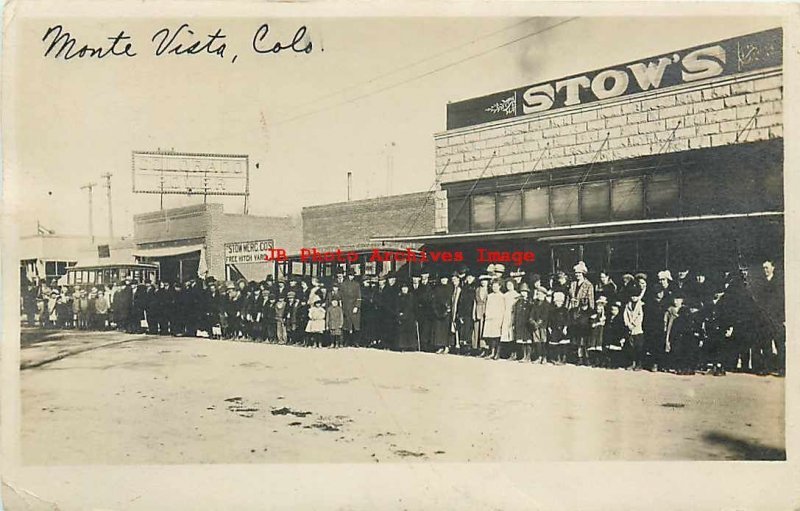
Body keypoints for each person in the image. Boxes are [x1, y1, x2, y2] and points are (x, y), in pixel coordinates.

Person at [751, 259, 785, 376]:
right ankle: (767, 367)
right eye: (763, 268)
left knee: (779, 344)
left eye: (767, 267)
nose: (765, 270)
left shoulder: (779, 282)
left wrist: (782, 318)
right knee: (766, 344)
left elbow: (781, 302)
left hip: (776, 319)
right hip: (764, 319)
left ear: (773, 268)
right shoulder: (762, 283)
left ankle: (782, 368)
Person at [483, 280, 505, 360]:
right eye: (493, 286)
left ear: (499, 287)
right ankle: (492, 352)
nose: (494, 288)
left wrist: (501, 318)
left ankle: (497, 353)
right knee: (491, 337)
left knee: (497, 336)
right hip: (490, 318)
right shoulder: (490, 296)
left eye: (496, 286)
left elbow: (503, 308)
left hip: (498, 318)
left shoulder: (502, 296)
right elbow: (487, 307)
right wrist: (487, 315)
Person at [340, 269, 362, 347]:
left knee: (355, 325)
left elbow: (359, 297)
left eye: (352, 275)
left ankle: (356, 342)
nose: (351, 277)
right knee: (346, 325)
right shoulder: (343, 284)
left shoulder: (357, 284)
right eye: (349, 275)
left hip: (354, 306)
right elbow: (341, 296)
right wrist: (341, 306)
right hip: (346, 306)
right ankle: (346, 341)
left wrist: (357, 306)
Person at [623, 293, 645, 370]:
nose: (633, 298)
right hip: (630, 329)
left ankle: (639, 364)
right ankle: (631, 363)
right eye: (632, 296)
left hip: (638, 329)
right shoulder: (628, 305)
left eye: (635, 296)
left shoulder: (640, 305)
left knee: (638, 347)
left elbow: (640, 316)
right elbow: (625, 315)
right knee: (630, 347)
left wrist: (634, 324)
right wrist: (628, 324)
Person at [528, 287, 550, 363]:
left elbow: (545, 315)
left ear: (544, 295)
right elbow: (531, 314)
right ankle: (539, 357)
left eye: (540, 294)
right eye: (538, 294)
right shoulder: (535, 303)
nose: (539, 295)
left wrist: (538, 323)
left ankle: (544, 357)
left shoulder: (547, 304)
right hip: (535, 326)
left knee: (543, 341)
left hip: (543, 326)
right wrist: (533, 322)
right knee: (537, 342)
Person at [432, 275, 453, 354]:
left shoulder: (450, 288)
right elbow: (434, 300)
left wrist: (448, 309)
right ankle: (440, 346)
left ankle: (447, 346)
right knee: (439, 331)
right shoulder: (437, 289)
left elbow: (451, 299)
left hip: (447, 312)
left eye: (445, 278)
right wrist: (436, 310)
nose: (443, 280)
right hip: (438, 312)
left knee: (446, 330)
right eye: (442, 279)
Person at [547, 291, 570, 364]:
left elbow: (567, 320)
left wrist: (565, 328)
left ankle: (563, 359)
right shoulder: (552, 311)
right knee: (555, 345)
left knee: (563, 345)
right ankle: (557, 358)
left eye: (560, 301)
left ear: (562, 302)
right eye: (557, 301)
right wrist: (549, 327)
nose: (558, 303)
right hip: (555, 329)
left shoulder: (565, 310)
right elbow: (550, 320)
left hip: (562, 329)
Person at [603, 301, 626, 368]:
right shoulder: (609, 318)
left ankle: (615, 364)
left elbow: (623, 329)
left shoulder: (620, 319)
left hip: (617, 336)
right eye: (612, 310)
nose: (613, 311)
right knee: (609, 350)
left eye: (615, 310)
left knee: (616, 351)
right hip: (610, 336)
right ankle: (609, 363)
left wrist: (623, 338)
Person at [396, 281, 418, 352]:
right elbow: (397, 306)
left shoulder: (411, 296)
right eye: (403, 288)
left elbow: (411, 306)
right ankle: (403, 346)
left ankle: (411, 346)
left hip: (410, 316)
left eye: (406, 288)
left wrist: (405, 313)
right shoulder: (399, 296)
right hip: (402, 316)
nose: (404, 289)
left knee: (410, 332)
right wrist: (399, 313)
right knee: (402, 332)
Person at [570, 297, 593, 366]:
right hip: (579, 330)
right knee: (579, 345)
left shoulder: (591, 311)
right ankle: (580, 359)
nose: (584, 305)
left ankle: (587, 358)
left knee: (586, 345)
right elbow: (574, 320)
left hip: (587, 330)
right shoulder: (577, 310)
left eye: (585, 303)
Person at [513, 286, 533, 362]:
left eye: (525, 292)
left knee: (528, 340)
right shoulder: (518, 302)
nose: (523, 293)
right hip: (520, 323)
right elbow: (516, 313)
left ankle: (528, 356)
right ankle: (524, 356)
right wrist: (515, 323)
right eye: (522, 291)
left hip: (527, 324)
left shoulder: (530, 302)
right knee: (522, 341)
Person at [473, 275, 490, 356]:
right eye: (482, 280)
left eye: (485, 280)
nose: (483, 282)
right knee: (477, 331)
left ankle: (486, 349)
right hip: (478, 310)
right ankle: (479, 348)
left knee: (485, 330)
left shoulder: (489, 290)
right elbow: (475, 302)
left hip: (486, 311)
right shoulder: (477, 290)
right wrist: (474, 313)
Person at [587, 296, 607, 366]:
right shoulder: (593, 315)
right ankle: (594, 361)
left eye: (601, 307)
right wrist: (598, 323)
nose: (599, 309)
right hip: (594, 333)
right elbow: (592, 325)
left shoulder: (604, 316)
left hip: (601, 333)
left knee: (600, 347)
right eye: (598, 307)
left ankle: (600, 361)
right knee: (593, 346)